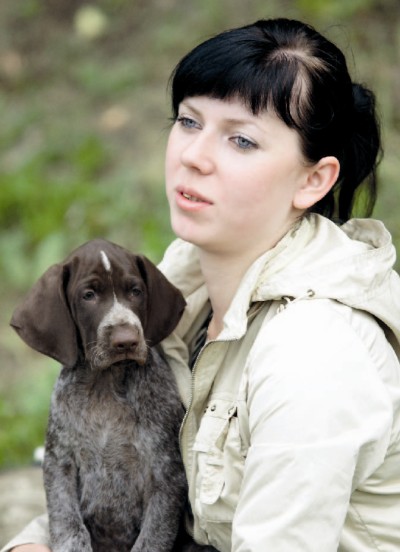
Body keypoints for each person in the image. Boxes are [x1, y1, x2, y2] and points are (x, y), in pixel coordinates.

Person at [3, 17, 400, 552]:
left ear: (313, 180)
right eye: (189, 121)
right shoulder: (181, 290)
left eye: (241, 140)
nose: (193, 156)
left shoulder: (314, 353)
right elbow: (112, 469)